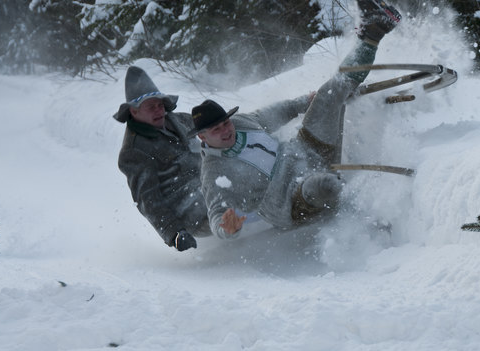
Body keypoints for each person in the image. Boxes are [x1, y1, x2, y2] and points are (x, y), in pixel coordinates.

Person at [189, 0, 401, 240]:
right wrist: (226, 228)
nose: (226, 130)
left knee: (331, 91)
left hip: (305, 151)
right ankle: (371, 222)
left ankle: (375, 30)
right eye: (216, 130)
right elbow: (217, 212)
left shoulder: (243, 123)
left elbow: (283, 110)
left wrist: (310, 100)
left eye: (225, 122)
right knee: (324, 185)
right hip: (289, 202)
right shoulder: (215, 171)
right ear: (202, 137)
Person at [113, 66, 210, 251]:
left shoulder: (178, 120)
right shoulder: (134, 151)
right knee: (226, 190)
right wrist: (174, 233)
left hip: (210, 185)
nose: (158, 111)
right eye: (151, 107)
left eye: (160, 105)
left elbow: (216, 127)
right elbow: (148, 200)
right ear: (134, 112)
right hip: (190, 209)